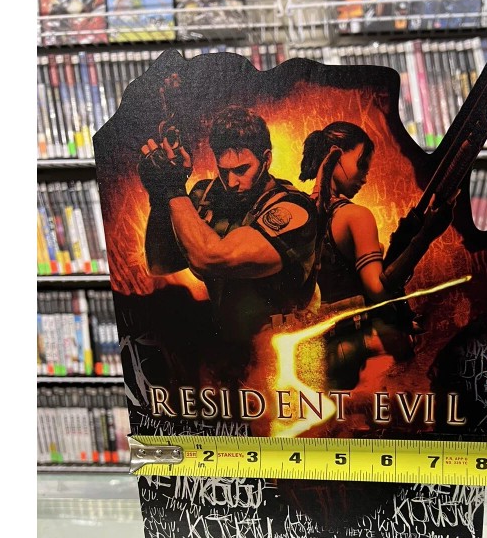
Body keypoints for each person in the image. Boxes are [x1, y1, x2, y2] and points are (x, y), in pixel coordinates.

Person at [137, 105, 319, 380]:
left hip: (286, 359)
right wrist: (160, 195)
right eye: (224, 171)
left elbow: (212, 258)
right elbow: (161, 263)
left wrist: (174, 190)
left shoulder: (293, 209)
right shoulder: (206, 195)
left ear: (266, 159)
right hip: (227, 356)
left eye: (242, 169)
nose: (232, 182)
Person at [299, 121, 454, 389]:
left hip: (315, 354)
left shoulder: (297, 213)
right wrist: (425, 237)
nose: (364, 177)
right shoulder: (356, 217)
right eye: (361, 165)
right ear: (335, 155)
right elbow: (378, 290)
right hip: (360, 351)